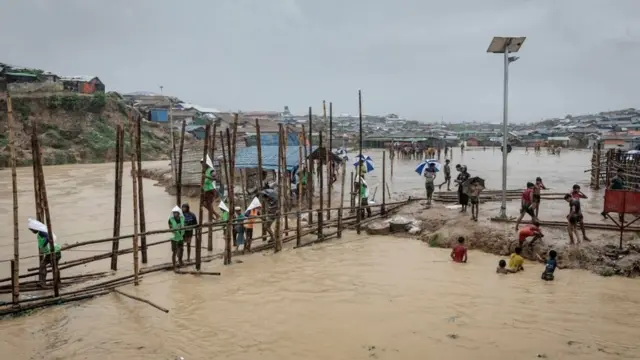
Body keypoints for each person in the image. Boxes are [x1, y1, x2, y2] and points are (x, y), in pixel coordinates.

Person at [29, 220, 61, 286]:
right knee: (55, 267)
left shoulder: (41, 232)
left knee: (42, 266)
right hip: (56, 251)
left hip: (52, 252)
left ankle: (43, 283)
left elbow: (48, 237)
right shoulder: (42, 232)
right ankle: (57, 281)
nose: (32, 231)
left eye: (32, 230)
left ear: (35, 228)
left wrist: (43, 245)